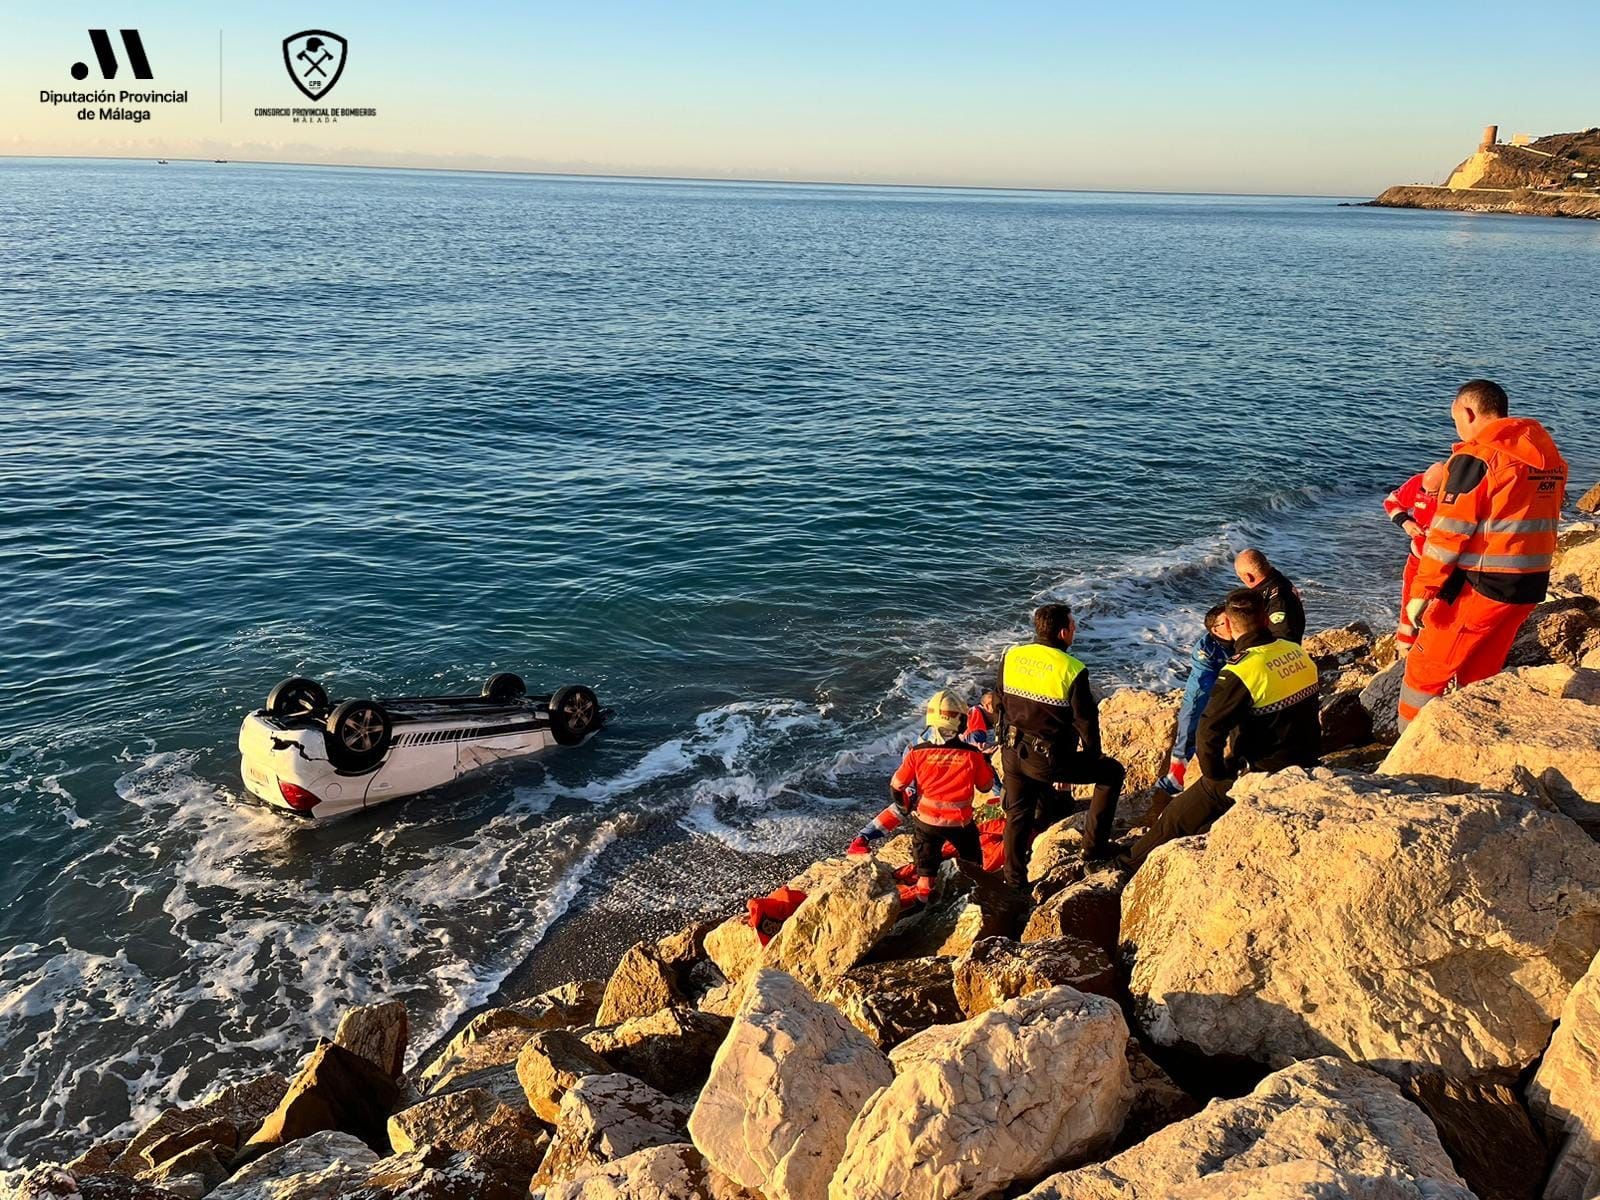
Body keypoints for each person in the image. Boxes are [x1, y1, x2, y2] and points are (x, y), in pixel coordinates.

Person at [1399, 380, 1568, 731]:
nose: (1458, 429)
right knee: (1480, 669)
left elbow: (1448, 535)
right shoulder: (1546, 455)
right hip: (1529, 585)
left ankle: (1405, 751)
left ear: (1468, 412)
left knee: (1425, 669)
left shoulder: (1477, 457)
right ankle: (1470, 732)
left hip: (1483, 586)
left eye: (1456, 420)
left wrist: (1421, 592)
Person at [1126, 588, 1320, 868]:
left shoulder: (1241, 671)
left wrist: (1215, 775)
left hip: (1263, 770)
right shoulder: (1295, 652)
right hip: (1306, 758)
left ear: (1228, 625)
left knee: (1176, 817)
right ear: (1266, 618)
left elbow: (1208, 731)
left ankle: (1127, 865)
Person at [997, 603, 1125, 882]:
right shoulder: (1072, 669)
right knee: (1112, 774)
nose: (1075, 630)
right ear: (1064, 632)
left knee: (1017, 815)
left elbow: (1000, 700)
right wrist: (1093, 757)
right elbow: (1085, 721)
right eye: (1073, 626)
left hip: (1010, 750)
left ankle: (1013, 881)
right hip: (1047, 759)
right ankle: (1094, 850)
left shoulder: (1012, 655)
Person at [856, 690, 997, 907]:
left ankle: (922, 904)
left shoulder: (916, 750)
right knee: (973, 861)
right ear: (961, 720)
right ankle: (973, 897)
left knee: (925, 868)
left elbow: (897, 785)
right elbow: (985, 787)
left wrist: (905, 806)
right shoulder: (971, 755)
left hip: (927, 822)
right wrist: (985, 762)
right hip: (960, 823)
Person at [1156, 604, 1233, 798]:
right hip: (1204, 690)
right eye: (1228, 621)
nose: (1234, 623)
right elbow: (1204, 683)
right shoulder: (1206, 648)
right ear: (1216, 629)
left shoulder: (1245, 637)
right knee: (1188, 726)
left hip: (1233, 690)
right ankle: (1175, 780)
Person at [1383, 462, 1447, 654]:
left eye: (1433, 493)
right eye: (1426, 491)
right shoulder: (1417, 483)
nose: (1428, 495)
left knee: (1439, 602)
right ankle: (1404, 643)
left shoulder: (1458, 494)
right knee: (1410, 596)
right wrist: (1405, 522)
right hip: (1418, 556)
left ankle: (1433, 642)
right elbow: (1391, 502)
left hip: (1444, 561)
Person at [1234, 549, 1306, 644]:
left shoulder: (1277, 599)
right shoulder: (1277, 580)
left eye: (1241, 577)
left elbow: (1283, 637)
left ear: (1248, 577)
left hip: (1280, 652)